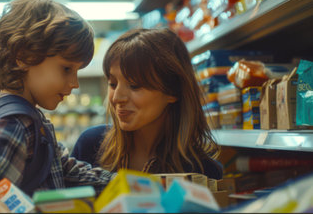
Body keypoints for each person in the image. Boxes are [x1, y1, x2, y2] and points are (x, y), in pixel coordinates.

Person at [0, 0, 114, 213]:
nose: (75, 83)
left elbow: (70, 172)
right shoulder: (16, 122)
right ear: (23, 56)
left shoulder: (29, 119)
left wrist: (124, 183)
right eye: (67, 69)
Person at [71, 28, 223, 180]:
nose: (117, 97)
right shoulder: (90, 145)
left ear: (173, 91)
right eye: (112, 84)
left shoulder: (203, 171)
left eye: (134, 85)